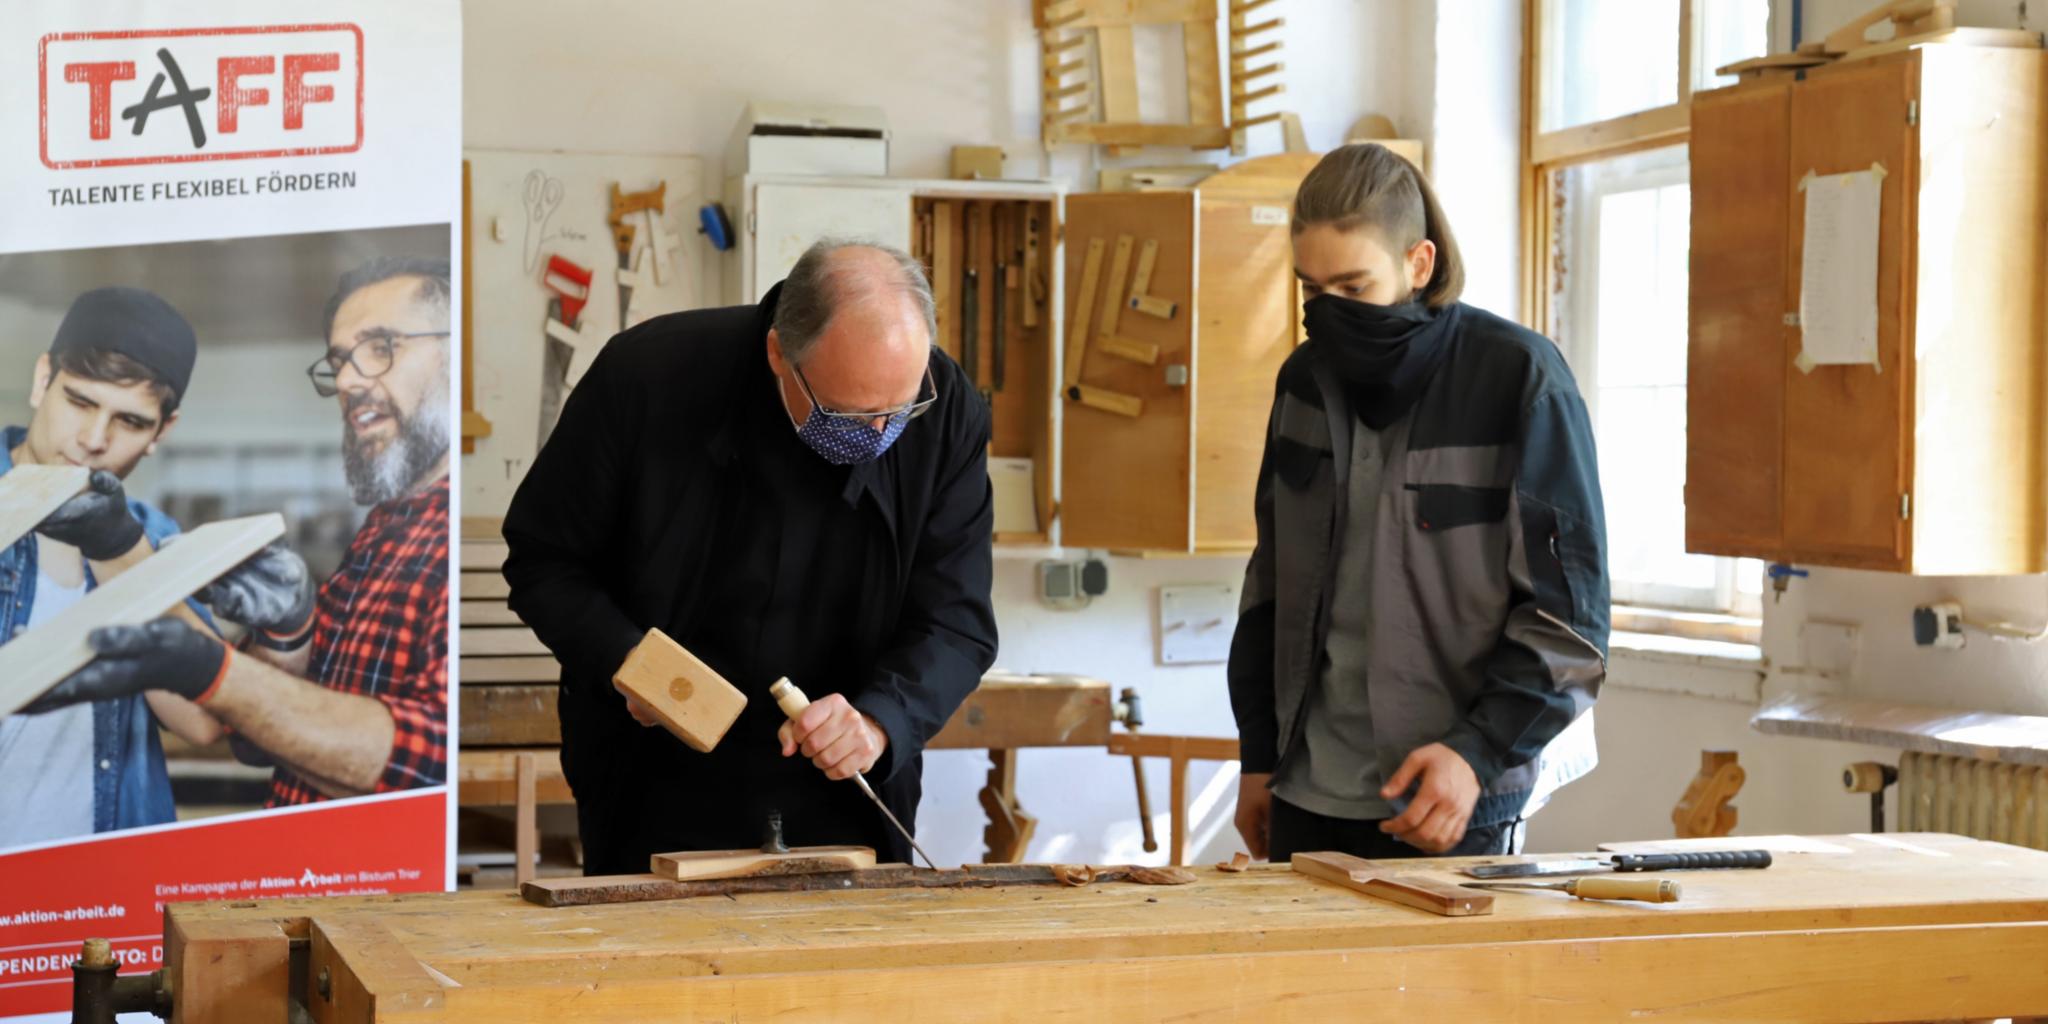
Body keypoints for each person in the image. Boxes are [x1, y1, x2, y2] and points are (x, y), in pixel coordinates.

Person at [502, 239, 996, 873]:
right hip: (655, 772)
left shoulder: (945, 408)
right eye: (848, 415)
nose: (879, 438)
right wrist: (627, 660)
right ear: (777, 355)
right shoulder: (647, 378)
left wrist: (881, 720)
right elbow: (544, 558)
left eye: (898, 413)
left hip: (847, 782)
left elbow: (956, 620)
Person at [1229, 144, 1609, 861]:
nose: (1331, 314)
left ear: (1419, 264)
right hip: (1305, 789)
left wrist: (1477, 752)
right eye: (1313, 292)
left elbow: (1570, 623)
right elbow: (1269, 586)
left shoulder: (1519, 380)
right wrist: (1258, 756)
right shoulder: (1304, 384)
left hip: (1451, 797)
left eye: (1354, 286)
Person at [31, 257, 452, 807]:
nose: (347, 380)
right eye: (340, 360)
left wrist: (211, 665)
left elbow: (428, 764)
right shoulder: (384, 530)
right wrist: (289, 634)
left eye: (380, 347)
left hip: (350, 878)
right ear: (43, 381)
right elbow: (272, 731)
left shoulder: (152, 538)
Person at [1, 287, 223, 846]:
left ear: (161, 433)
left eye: (128, 421)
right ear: (41, 380)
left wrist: (121, 554)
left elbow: (201, 722)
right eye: (79, 402)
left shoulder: (156, 540)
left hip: (100, 882)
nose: (94, 441)